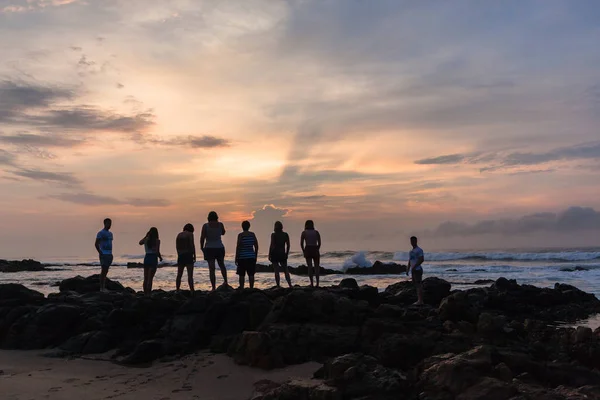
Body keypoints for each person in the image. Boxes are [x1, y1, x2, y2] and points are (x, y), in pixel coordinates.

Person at [200, 211, 228, 290]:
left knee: (212, 269)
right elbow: (223, 233)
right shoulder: (220, 224)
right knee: (222, 265)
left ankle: (213, 287)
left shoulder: (205, 226)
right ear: (216, 217)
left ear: (208, 218)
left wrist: (202, 247)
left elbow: (202, 237)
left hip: (209, 248)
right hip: (219, 247)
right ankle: (225, 281)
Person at [235, 220, 259, 289]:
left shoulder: (240, 235)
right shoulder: (252, 234)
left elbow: (238, 246)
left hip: (242, 257)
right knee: (251, 274)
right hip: (251, 257)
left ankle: (242, 288)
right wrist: (255, 255)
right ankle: (251, 288)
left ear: (242, 227)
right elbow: (256, 246)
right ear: (249, 226)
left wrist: (236, 257)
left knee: (241, 274)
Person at [139, 227, 162, 295]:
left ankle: (145, 293)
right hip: (153, 258)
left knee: (145, 278)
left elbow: (140, 242)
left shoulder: (146, 240)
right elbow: (157, 251)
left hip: (147, 258)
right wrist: (160, 258)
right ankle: (149, 293)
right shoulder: (157, 240)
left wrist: (146, 236)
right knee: (150, 278)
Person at [269, 221, 292, 288]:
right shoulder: (285, 234)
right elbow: (288, 245)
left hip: (275, 253)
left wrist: (269, 254)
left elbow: (272, 245)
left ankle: (278, 285)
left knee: (276, 271)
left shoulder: (273, 235)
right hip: (282, 253)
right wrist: (287, 253)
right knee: (285, 270)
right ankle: (290, 285)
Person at [176, 223, 196, 294]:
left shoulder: (179, 235)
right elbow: (192, 245)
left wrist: (179, 254)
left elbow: (177, 246)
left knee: (179, 274)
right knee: (190, 275)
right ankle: (192, 290)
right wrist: (194, 255)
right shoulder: (190, 234)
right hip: (188, 255)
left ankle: (177, 289)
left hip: (181, 255)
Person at [300, 220, 321, 287]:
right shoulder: (316, 232)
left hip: (308, 248)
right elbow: (319, 243)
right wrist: (317, 248)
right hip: (315, 248)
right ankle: (317, 284)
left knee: (309, 267)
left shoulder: (304, 233)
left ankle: (311, 283)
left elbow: (301, 243)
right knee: (316, 267)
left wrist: (303, 250)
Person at [94, 218, 113, 292]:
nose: (109, 225)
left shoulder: (110, 233)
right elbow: (96, 244)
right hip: (103, 254)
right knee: (103, 270)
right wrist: (100, 252)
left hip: (109, 254)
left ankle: (103, 287)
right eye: (108, 223)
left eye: (110, 223)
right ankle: (101, 287)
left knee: (106, 271)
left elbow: (110, 243)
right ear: (104, 223)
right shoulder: (101, 233)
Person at [406, 236, 425, 305]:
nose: (412, 242)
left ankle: (420, 301)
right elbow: (410, 260)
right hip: (413, 270)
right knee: (416, 285)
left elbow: (422, 259)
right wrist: (408, 269)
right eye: (411, 241)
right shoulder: (411, 251)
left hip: (417, 269)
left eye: (414, 241)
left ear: (416, 241)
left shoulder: (419, 250)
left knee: (419, 285)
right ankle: (418, 300)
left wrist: (415, 266)